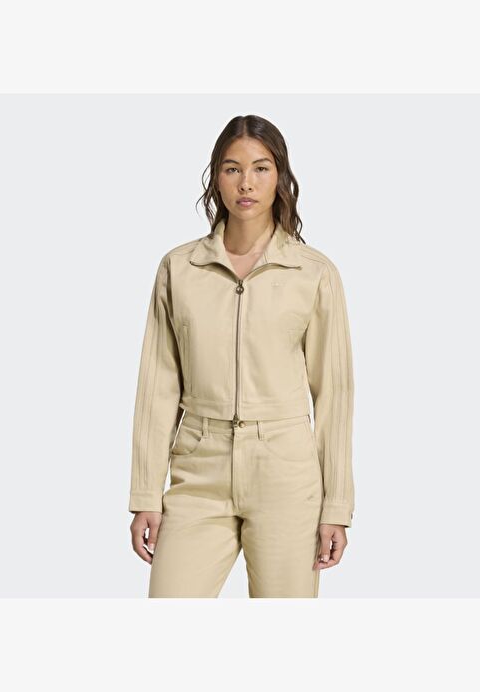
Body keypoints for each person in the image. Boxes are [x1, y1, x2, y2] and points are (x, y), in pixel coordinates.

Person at [129, 114, 355, 597]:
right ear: (216, 177)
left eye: (261, 168)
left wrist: (337, 505)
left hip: (285, 474)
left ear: (280, 177)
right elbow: (158, 387)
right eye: (232, 169)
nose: (246, 183)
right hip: (198, 468)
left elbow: (334, 394)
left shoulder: (313, 273)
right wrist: (146, 492)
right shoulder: (179, 268)